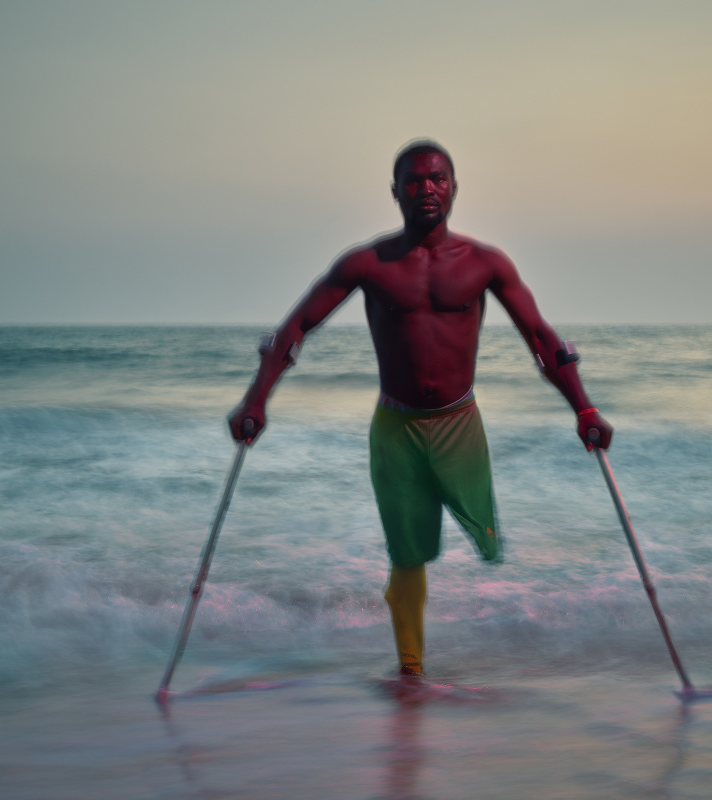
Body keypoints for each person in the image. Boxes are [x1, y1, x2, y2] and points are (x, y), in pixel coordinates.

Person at [228, 140, 612, 678]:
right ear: (395, 191)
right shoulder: (368, 263)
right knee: (407, 553)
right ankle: (411, 672)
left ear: (454, 188)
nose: (425, 189)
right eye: (413, 180)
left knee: (487, 541)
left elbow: (543, 340)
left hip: (460, 423)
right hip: (396, 429)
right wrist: (256, 399)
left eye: (436, 179)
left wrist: (584, 410)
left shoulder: (485, 263)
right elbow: (294, 331)